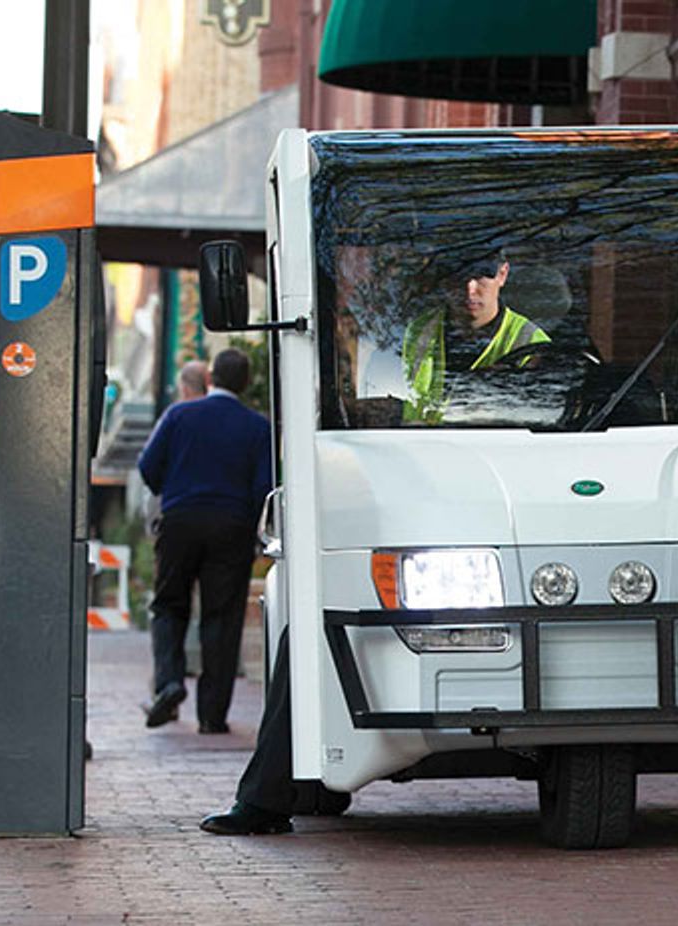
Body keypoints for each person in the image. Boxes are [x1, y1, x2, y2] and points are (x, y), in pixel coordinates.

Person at [199, 252, 547, 835]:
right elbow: (389, 407)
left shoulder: (530, 343)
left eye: (483, 274)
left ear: (505, 274)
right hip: (412, 507)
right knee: (312, 626)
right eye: (462, 274)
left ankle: (277, 792)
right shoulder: (419, 335)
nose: (472, 287)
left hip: (494, 518)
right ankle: (285, 788)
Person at [138, 349, 271, 734]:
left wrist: (177, 489)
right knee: (222, 618)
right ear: (245, 384)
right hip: (231, 527)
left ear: (210, 379)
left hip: (180, 522)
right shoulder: (257, 427)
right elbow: (263, 487)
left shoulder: (179, 415)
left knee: (169, 605)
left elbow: (148, 467)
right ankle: (213, 716)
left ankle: (169, 682)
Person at [401, 250, 549, 423]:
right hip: (413, 443)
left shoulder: (534, 344)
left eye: (480, 275)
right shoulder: (417, 330)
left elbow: (542, 425)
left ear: (502, 274)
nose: (469, 289)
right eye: (458, 275)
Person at [143, 360, 208, 538]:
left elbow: (148, 465)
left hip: (178, 513)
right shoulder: (226, 417)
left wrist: (164, 491)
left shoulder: (175, 416)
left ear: (185, 389)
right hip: (223, 518)